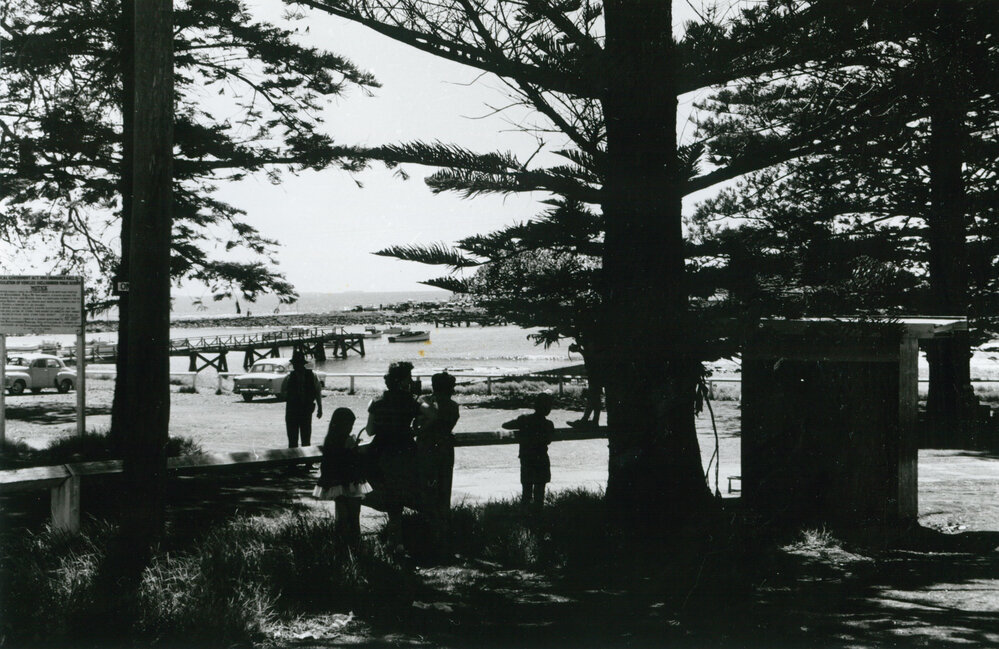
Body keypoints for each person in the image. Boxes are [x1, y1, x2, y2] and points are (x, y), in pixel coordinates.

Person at [365, 361, 420, 549]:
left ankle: (394, 539)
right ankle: (397, 540)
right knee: (401, 493)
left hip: (381, 451)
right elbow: (427, 417)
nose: (411, 381)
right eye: (409, 378)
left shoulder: (377, 401)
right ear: (402, 381)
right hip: (404, 449)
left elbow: (370, 431)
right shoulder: (412, 402)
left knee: (389, 496)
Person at [415, 371, 460, 557]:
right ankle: (442, 539)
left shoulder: (425, 401)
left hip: (427, 450)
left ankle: (427, 538)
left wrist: (422, 426)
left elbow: (419, 423)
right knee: (444, 493)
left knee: (426, 494)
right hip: (445, 450)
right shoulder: (453, 407)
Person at [313, 408, 370, 549]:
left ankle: (346, 545)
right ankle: (351, 545)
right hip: (348, 480)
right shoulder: (343, 440)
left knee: (345, 516)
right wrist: (352, 449)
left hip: (341, 481)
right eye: (349, 425)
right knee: (350, 516)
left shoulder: (331, 439)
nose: (350, 428)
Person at [502, 392, 555, 513]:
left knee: (526, 491)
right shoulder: (549, 424)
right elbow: (549, 440)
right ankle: (538, 516)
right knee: (540, 493)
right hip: (542, 458)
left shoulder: (525, 419)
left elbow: (505, 425)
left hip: (527, 459)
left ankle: (525, 515)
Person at [281, 350, 323, 448]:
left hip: (305, 410)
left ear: (302, 364)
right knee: (292, 440)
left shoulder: (312, 376)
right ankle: (293, 462)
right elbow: (283, 393)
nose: (296, 366)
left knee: (306, 438)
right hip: (293, 411)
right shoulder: (289, 377)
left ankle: (307, 462)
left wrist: (320, 408)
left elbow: (318, 392)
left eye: (298, 364)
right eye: (296, 364)